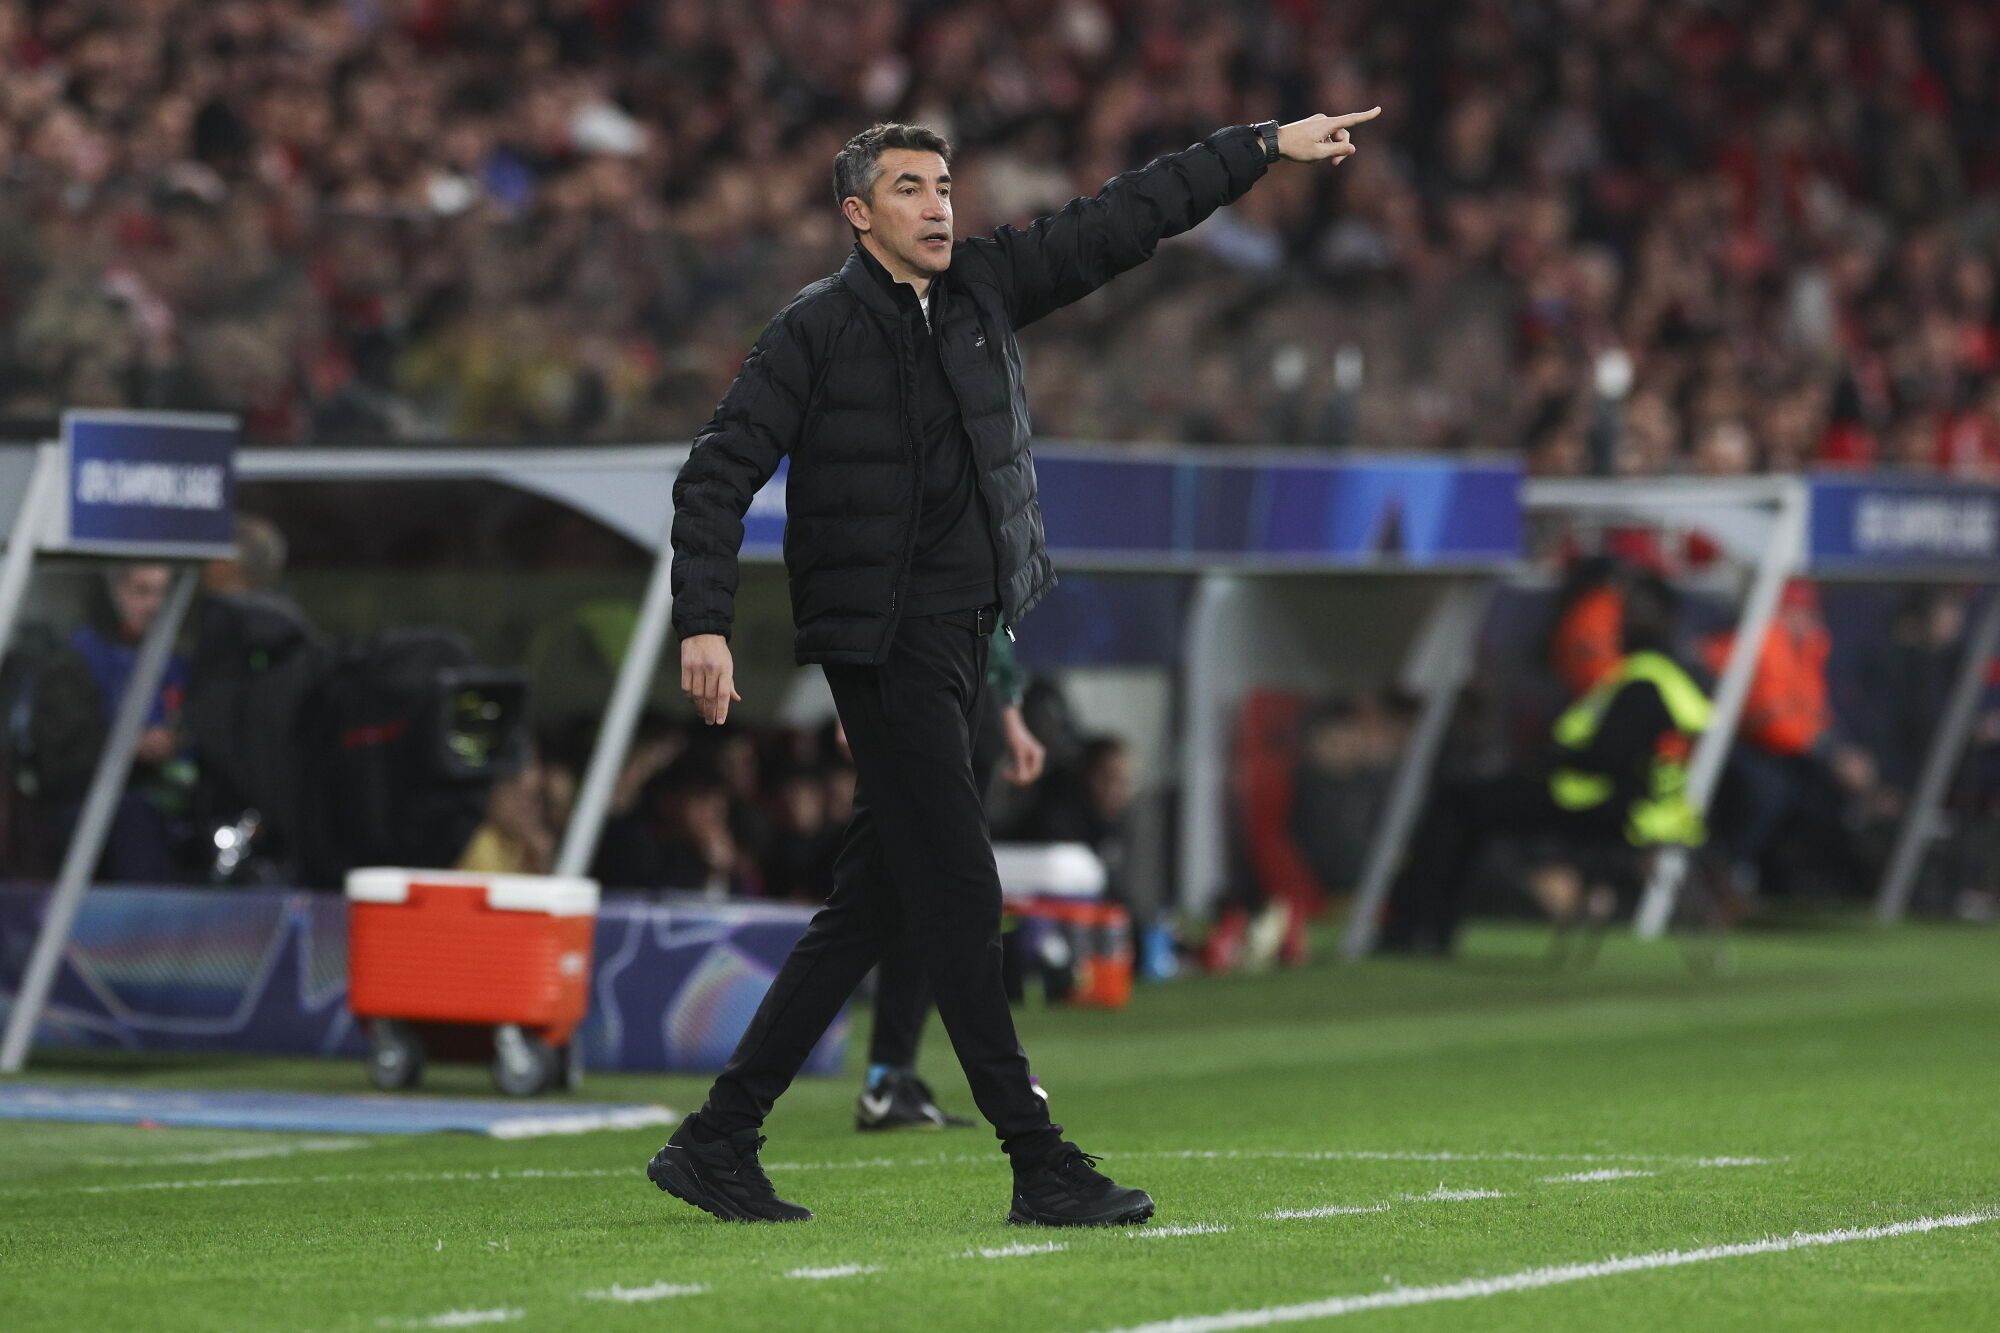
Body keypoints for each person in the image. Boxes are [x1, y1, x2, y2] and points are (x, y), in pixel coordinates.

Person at [649, 108, 1382, 1226]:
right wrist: (702, 619)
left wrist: (1260, 147)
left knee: (873, 901)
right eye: (907, 188)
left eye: (943, 184)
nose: (937, 204)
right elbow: (714, 475)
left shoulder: (987, 287)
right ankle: (1037, 1158)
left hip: (959, 634)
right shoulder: (810, 333)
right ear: (857, 215)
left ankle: (717, 1136)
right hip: (880, 643)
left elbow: (1125, 217)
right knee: (958, 888)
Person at [1382, 574, 1710, 955]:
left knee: (1458, 802)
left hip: (1601, 804)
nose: (1623, 622)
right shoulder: (1672, 680)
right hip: (1644, 810)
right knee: (1469, 803)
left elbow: (1608, 757)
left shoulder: (1646, 682)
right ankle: (1429, 925)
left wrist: (1554, 756)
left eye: (1634, 613)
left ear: (1662, 617)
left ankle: (1419, 926)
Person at [857, 622, 1044, 1131]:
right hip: (928, 699)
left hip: (964, 702)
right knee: (938, 896)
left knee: (919, 900)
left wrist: (1010, 716)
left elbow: (991, 627)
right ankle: (903, 1077)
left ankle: (891, 1075)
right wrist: (855, 697)